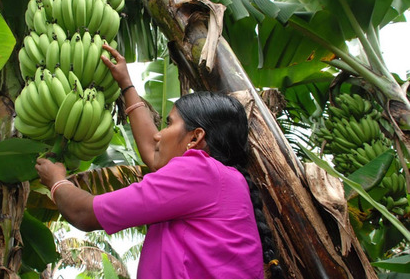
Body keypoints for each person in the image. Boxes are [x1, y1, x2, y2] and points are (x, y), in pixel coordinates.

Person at [35, 44, 282, 278]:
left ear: (196, 137)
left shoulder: (200, 172)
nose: (158, 134)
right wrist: (126, 85)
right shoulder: (219, 179)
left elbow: (84, 213)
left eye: (169, 124)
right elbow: (155, 155)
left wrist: (56, 181)